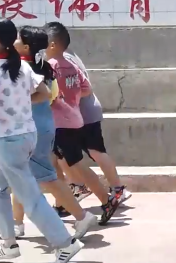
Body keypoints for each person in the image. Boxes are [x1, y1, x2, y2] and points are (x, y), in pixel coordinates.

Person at [0, 18, 84, 263]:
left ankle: (65, 243)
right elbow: (44, 93)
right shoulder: (22, 66)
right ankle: (9, 243)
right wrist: (16, 103)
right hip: (26, 135)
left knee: (29, 197)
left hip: (8, 140)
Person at [3, 26, 98, 240]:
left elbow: (40, 96)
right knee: (22, 177)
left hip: (33, 129)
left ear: (26, 47)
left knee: (48, 179)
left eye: (18, 39)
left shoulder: (24, 70)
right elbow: (53, 95)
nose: (13, 41)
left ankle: (81, 216)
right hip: (43, 126)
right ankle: (16, 223)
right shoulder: (44, 67)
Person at [45, 22, 121, 225]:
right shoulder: (71, 65)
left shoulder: (50, 66)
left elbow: (47, 95)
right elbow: (86, 88)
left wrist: (58, 99)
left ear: (52, 45)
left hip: (60, 123)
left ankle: (105, 200)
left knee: (76, 166)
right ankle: (67, 200)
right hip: (75, 120)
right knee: (64, 163)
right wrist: (72, 97)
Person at [62, 38, 130, 205]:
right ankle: (81, 187)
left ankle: (117, 189)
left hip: (84, 113)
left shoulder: (65, 60)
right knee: (69, 154)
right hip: (82, 112)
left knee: (95, 151)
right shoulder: (69, 56)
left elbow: (84, 88)